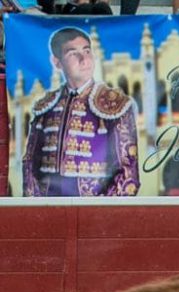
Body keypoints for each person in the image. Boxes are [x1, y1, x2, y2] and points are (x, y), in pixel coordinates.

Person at [22, 27, 139, 197]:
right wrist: (37, 207)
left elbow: (127, 170)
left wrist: (102, 212)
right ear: (57, 62)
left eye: (87, 51)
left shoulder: (116, 104)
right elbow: (30, 163)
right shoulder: (45, 107)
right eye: (72, 53)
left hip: (95, 204)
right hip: (48, 204)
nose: (84, 59)